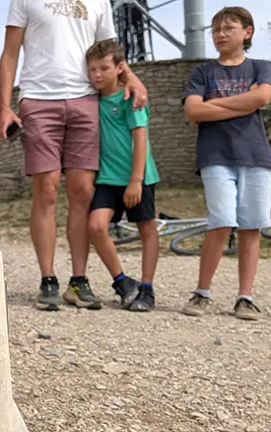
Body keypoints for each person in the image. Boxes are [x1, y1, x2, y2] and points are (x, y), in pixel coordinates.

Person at [0, 0, 149, 312]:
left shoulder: (99, 3)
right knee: (47, 190)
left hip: (84, 99)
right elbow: (10, 51)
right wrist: (4, 105)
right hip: (39, 98)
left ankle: (78, 281)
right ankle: (48, 279)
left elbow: (108, 50)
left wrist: (129, 77)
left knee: (82, 192)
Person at [180, 6, 271, 321]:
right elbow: (193, 111)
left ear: (247, 32)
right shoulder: (202, 72)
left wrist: (213, 105)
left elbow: (262, 98)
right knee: (220, 221)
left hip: (256, 156)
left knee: (251, 226)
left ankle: (245, 297)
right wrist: (241, 104)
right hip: (215, 156)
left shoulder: (260, 67)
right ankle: (202, 292)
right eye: (216, 28)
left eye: (228, 27)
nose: (220, 33)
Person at [85, 39, 160, 312]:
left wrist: (136, 181)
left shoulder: (131, 98)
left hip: (138, 178)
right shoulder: (91, 101)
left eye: (104, 68)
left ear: (119, 68)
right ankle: (122, 281)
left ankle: (148, 289)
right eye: (92, 69)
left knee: (147, 229)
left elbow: (141, 139)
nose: (97, 75)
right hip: (107, 179)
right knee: (95, 226)